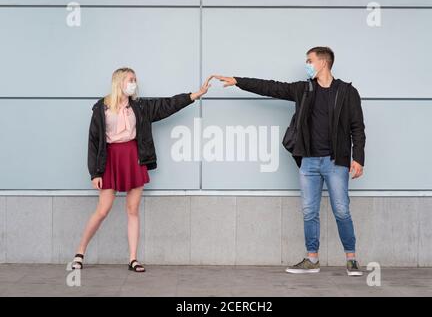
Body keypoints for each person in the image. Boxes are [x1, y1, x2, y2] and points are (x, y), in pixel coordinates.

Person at [213, 46, 366, 276]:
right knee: (309, 211)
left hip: (336, 163)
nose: (306, 64)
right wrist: (238, 81)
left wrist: (358, 158)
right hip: (309, 162)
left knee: (342, 210)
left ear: (322, 63)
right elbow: (271, 87)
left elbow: (357, 127)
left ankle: (351, 258)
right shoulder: (304, 89)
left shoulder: (346, 92)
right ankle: (312, 259)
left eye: (309, 60)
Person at [71, 67, 212, 272]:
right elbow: (93, 141)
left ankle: (133, 259)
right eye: (130, 79)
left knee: (133, 210)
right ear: (119, 82)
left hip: (133, 157)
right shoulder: (101, 108)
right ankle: (80, 252)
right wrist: (95, 173)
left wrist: (193, 96)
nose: (134, 83)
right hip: (109, 159)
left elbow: (167, 105)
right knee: (103, 210)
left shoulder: (139, 106)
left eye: (135, 79)